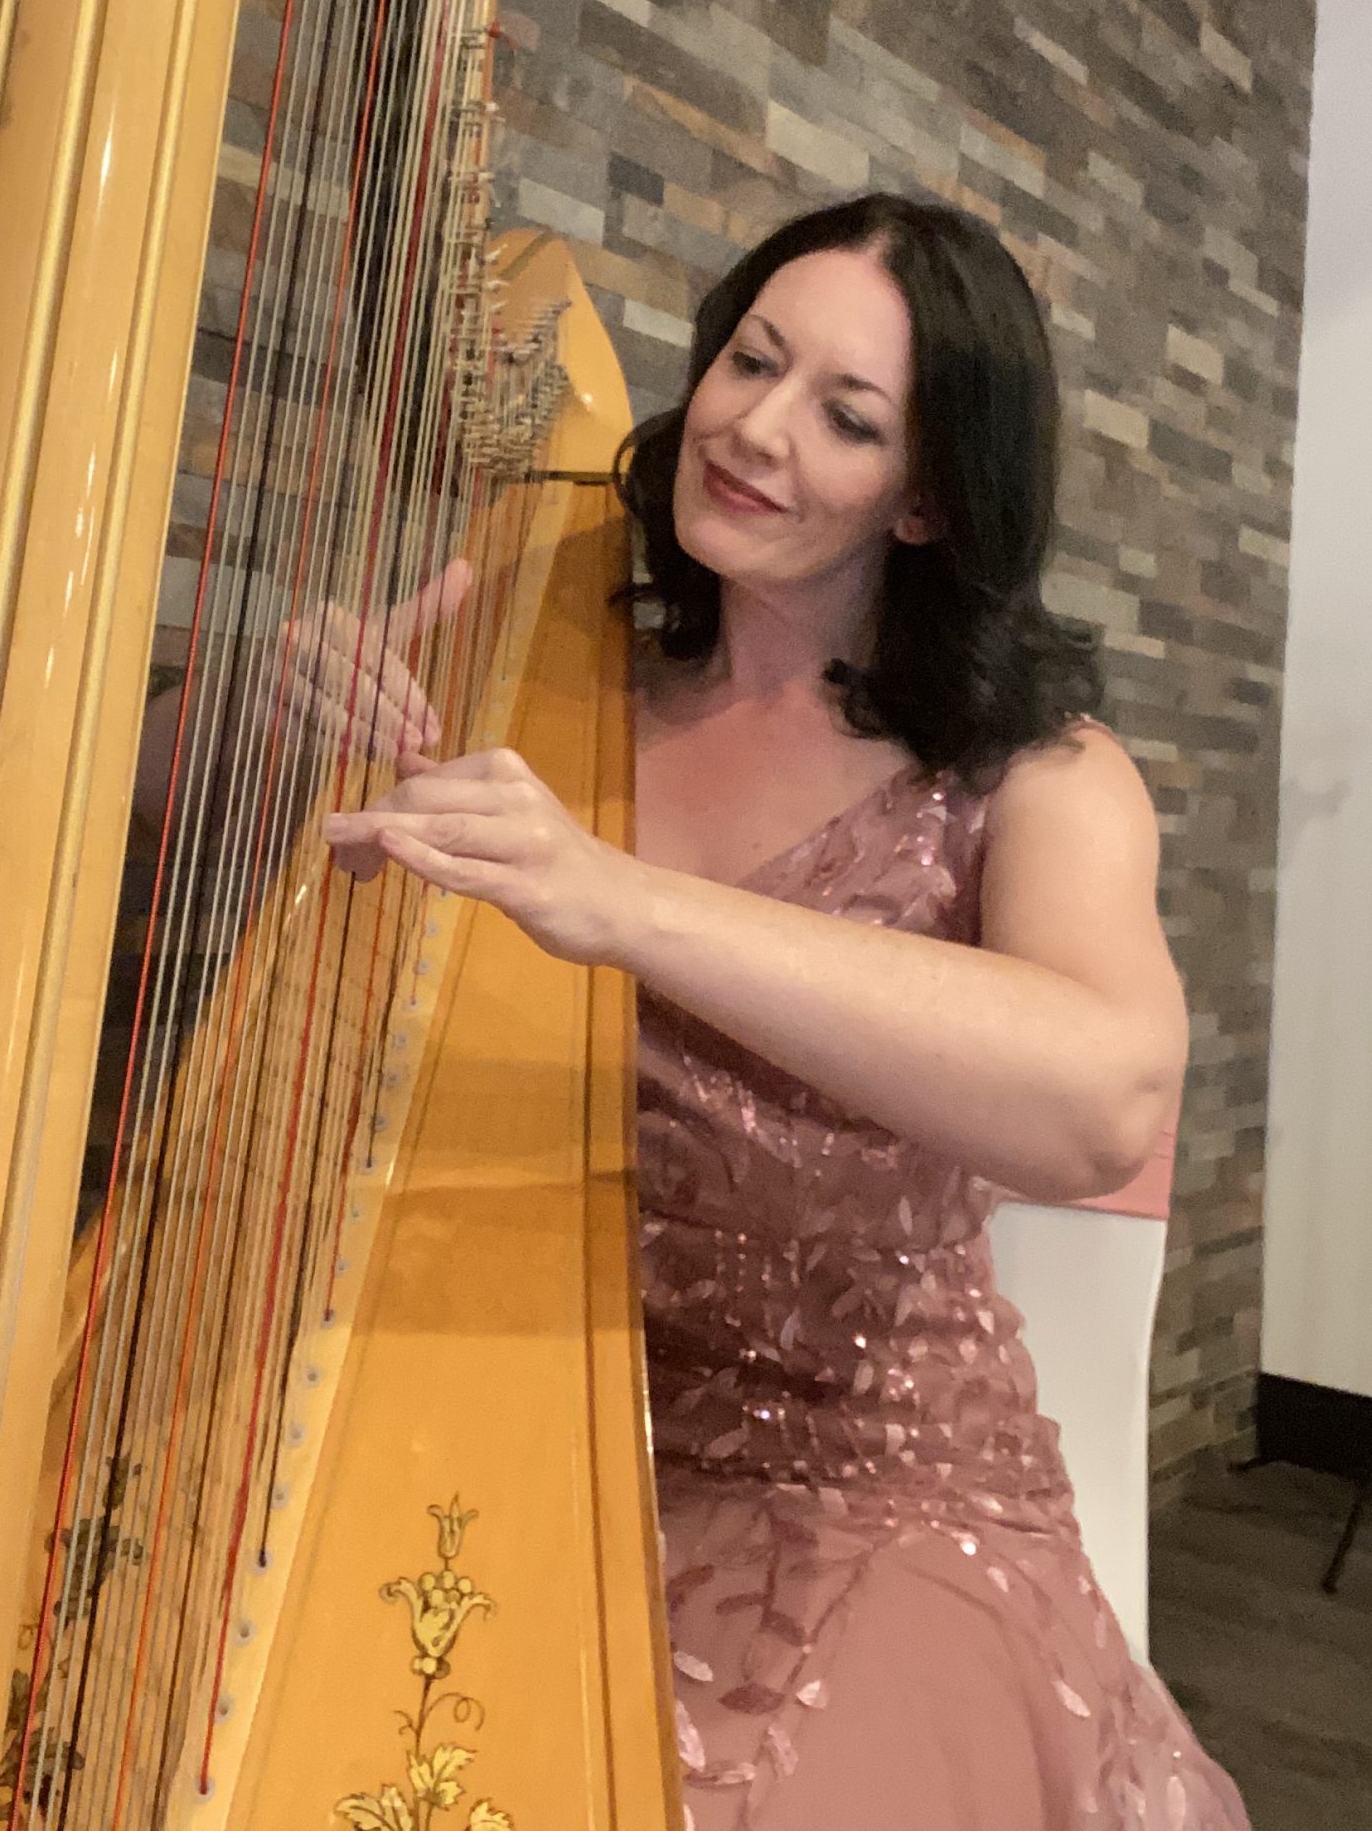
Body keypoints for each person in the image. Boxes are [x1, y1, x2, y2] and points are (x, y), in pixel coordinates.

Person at [322, 194, 1250, 1829]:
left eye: (847, 416)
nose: (754, 429)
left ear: (927, 498)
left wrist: (614, 901)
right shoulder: (554, 660)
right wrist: (253, 724)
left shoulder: (1036, 773)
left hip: (864, 1473)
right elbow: (152, 860)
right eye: (752, 360)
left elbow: (1105, 1092)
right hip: (533, 1401)